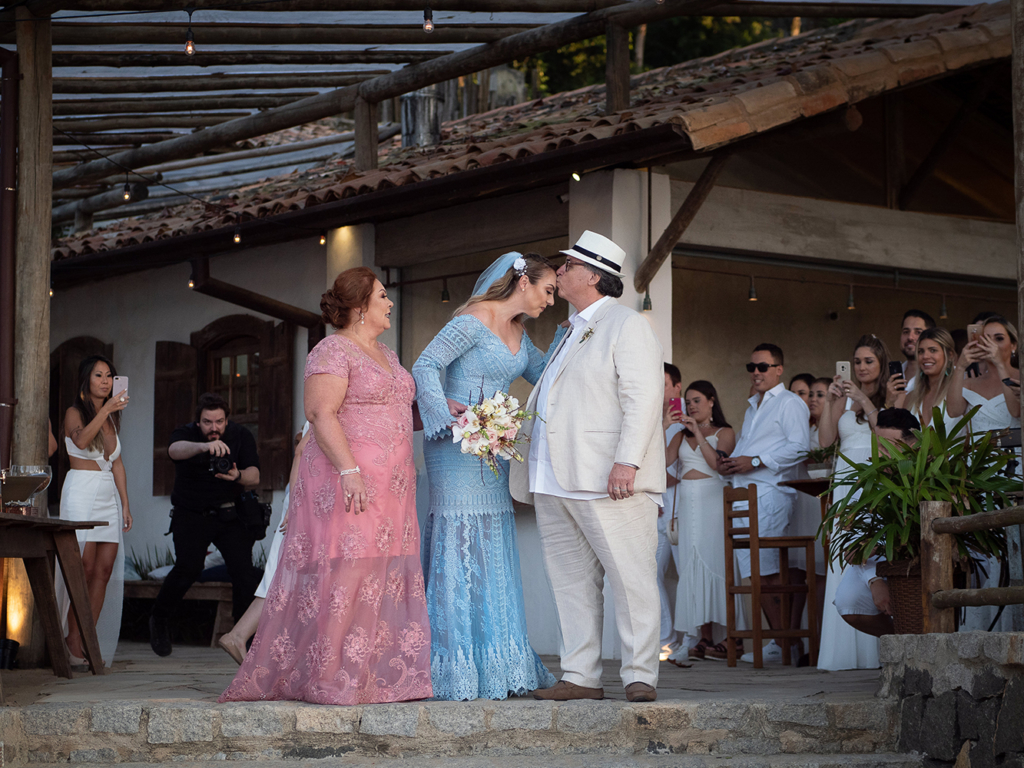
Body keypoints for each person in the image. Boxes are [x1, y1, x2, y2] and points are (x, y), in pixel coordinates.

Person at [221, 267, 431, 704]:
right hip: (347, 482)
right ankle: (330, 675)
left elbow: (397, 412)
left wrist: (450, 412)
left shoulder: (387, 355)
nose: (389, 303)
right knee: (347, 574)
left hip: (392, 488)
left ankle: (368, 675)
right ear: (359, 308)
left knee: (379, 574)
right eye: (382, 296)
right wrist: (350, 471)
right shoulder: (331, 350)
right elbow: (320, 413)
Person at [510, 231, 665, 703]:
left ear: (594, 276)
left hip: (606, 476)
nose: (558, 272)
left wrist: (627, 461)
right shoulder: (567, 328)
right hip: (554, 475)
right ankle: (580, 675)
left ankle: (641, 672)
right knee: (570, 580)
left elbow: (642, 397)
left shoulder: (626, 324)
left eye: (568, 266)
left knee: (630, 575)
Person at [411, 251, 559, 701]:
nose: (551, 302)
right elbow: (424, 366)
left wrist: (579, 340)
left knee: (491, 540)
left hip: (493, 447)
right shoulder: (473, 320)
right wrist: (443, 415)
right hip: (453, 446)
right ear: (523, 283)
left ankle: (497, 657)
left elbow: (547, 372)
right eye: (548, 291)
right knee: (459, 539)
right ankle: (451, 663)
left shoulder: (520, 332)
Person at [149, 392, 262, 657]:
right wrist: (203, 447)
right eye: (208, 422)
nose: (214, 428)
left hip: (229, 515)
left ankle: (241, 636)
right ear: (198, 421)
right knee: (188, 568)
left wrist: (237, 475)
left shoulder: (240, 435)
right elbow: (173, 451)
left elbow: (255, 476)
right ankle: (159, 619)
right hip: (191, 514)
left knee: (243, 571)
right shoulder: (186, 434)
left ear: (227, 419)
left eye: (219, 421)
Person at [719, 343, 809, 665]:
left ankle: (787, 641)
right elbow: (748, 447)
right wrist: (733, 463)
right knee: (756, 574)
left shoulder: (789, 403)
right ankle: (778, 640)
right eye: (751, 367)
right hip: (745, 493)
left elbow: (801, 447)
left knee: (772, 572)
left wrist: (755, 460)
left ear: (779, 369)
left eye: (763, 367)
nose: (756, 372)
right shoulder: (752, 407)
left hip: (770, 493)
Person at [816, 334, 892, 671]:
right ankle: (842, 653)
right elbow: (825, 440)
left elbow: (886, 436)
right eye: (857, 361)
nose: (861, 367)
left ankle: (876, 647)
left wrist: (865, 398)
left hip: (874, 480)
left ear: (880, 364)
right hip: (846, 482)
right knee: (844, 555)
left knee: (870, 553)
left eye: (868, 361)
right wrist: (833, 402)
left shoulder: (891, 393)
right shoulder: (844, 399)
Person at [946, 315, 1021, 633]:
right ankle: (982, 629)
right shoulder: (970, 382)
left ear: (1013, 345)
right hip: (978, 475)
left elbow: (1016, 411)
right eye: (984, 337)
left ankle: (1014, 625)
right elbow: (952, 410)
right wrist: (961, 365)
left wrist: (1001, 366)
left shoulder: (1018, 376)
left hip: (1015, 470)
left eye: (999, 338)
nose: (990, 343)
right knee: (984, 551)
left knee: (1014, 546)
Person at [58, 355, 132, 667]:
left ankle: (87, 637)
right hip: (82, 491)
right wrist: (105, 410)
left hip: (108, 495)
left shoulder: (114, 418)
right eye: (99, 375)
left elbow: (116, 463)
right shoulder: (75, 412)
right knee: (83, 568)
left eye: (109, 376)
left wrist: (126, 503)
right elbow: (82, 439)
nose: (104, 381)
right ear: (86, 380)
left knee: (103, 570)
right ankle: (71, 640)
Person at [218, 426, 310, 664]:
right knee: (282, 577)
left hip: (308, 495)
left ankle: (240, 636)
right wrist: (295, 504)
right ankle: (241, 637)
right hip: (305, 497)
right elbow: (300, 450)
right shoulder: (325, 408)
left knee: (285, 577)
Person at [833, 408, 920, 638]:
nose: (880, 454)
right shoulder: (868, 478)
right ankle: (901, 643)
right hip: (880, 556)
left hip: (925, 558)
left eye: (889, 446)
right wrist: (874, 580)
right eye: (877, 445)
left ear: (915, 445)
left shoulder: (933, 476)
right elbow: (852, 544)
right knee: (847, 600)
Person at [666, 380, 734, 661]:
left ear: (711, 401)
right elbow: (661, 463)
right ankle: (702, 637)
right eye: (688, 402)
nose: (691, 406)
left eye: (696, 400)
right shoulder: (680, 436)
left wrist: (699, 433)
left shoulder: (725, 432)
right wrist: (663, 426)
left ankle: (732, 637)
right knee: (691, 563)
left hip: (713, 498)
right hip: (688, 499)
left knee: (717, 560)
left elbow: (717, 464)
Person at [659, 363, 685, 664]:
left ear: (677, 387)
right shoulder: (650, 417)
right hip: (655, 508)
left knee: (687, 572)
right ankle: (666, 641)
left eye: (664, 383)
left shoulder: (684, 421)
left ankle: (691, 640)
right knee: (650, 573)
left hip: (681, 507)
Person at [893, 327, 957, 428]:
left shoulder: (959, 391)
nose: (925, 356)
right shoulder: (910, 397)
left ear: (950, 355)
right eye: (920, 351)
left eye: (933, 350)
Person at [897, 310, 936, 392]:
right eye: (906, 332)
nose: (910, 337)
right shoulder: (892, 375)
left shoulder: (945, 377)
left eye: (918, 332)